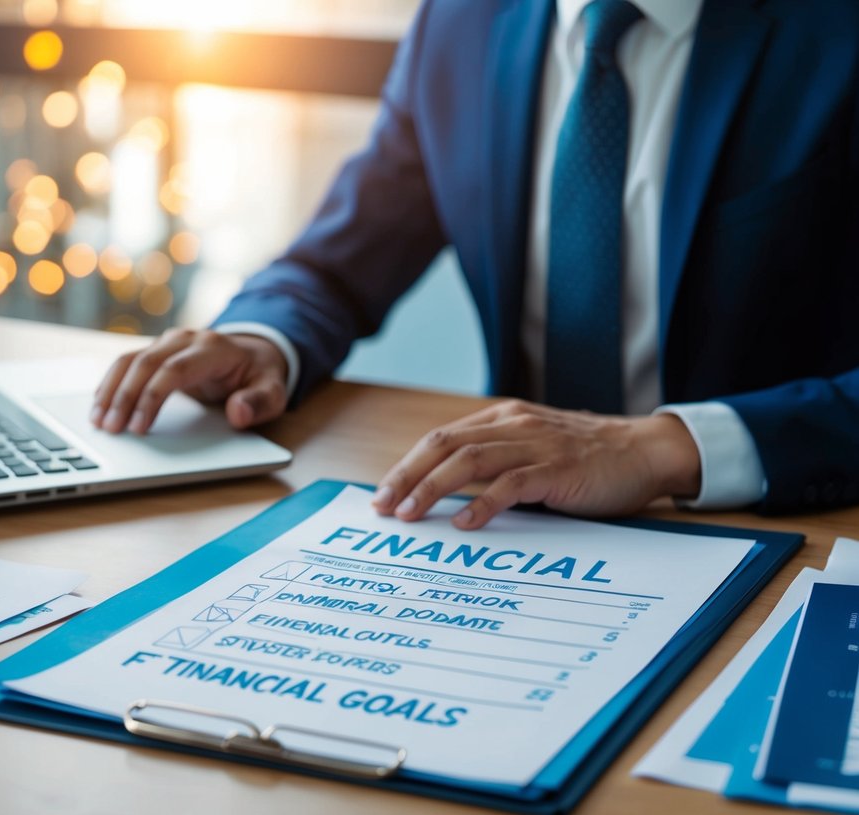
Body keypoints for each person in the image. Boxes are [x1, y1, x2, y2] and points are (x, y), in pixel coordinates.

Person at [91, 0, 859, 529]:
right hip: (516, 529)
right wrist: (264, 341)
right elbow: (336, 263)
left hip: (784, 528)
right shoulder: (460, 22)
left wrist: (663, 448)